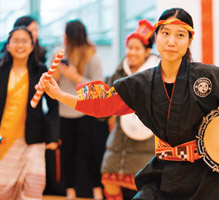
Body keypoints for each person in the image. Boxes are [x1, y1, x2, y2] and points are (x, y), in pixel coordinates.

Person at [37, 8, 219, 200]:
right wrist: (59, 95)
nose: (171, 41)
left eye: (180, 35)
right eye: (165, 34)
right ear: (156, 37)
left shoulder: (207, 77)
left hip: (206, 177)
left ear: (189, 41)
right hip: (163, 173)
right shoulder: (141, 83)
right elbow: (104, 102)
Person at [101, 19, 159, 200]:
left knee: (143, 186)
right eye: (129, 48)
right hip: (118, 139)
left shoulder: (158, 74)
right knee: (108, 179)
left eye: (137, 48)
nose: (132, 53)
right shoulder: (119, 73)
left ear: (147, 52)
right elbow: (108, 105)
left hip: (146, 141)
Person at [0, 26, 59, 199]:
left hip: (34, 139)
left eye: (25, 41)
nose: (20, 45)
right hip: (4, 139)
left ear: (32, 45)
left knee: (33, 189)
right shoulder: (1, 71)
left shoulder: (41, 71)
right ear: (8, 45)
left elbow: (53, 105)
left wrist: (53, 137)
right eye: (15, 41)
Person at [52, 19, 106, 200]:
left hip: (85, 112)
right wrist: (58, 72)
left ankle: (97, 189)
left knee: (91, 151)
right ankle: (70, 191)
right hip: (64, 112)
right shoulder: (58, 54)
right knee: (67, 152)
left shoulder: (92, 55)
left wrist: (77, 77)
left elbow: (100, 88)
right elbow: (52, 85)